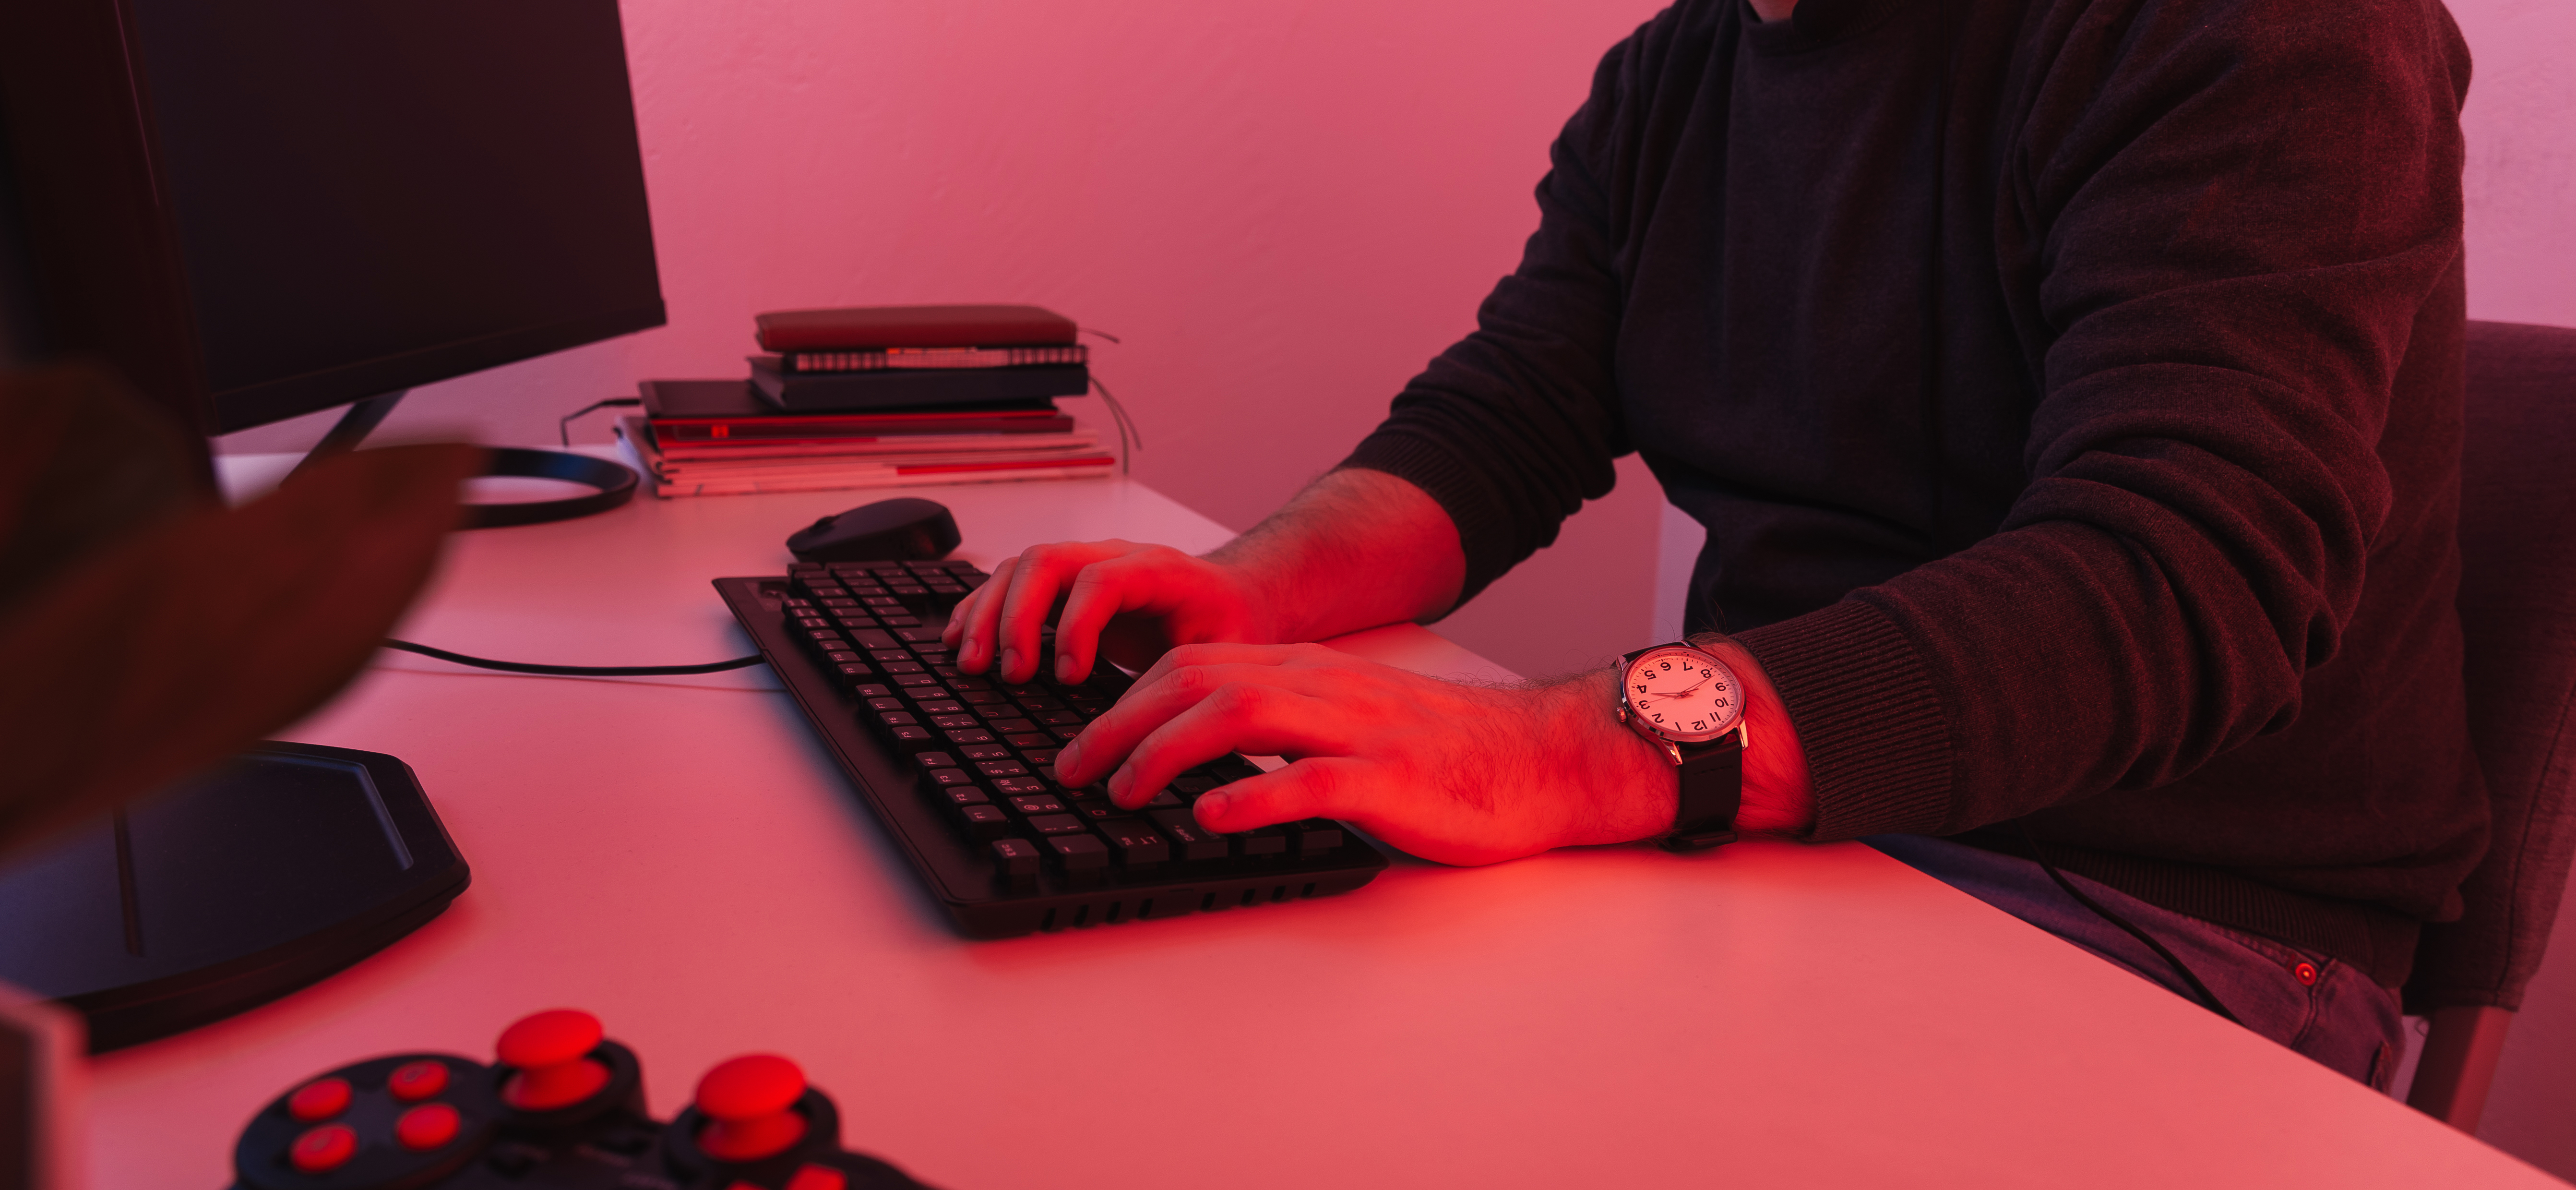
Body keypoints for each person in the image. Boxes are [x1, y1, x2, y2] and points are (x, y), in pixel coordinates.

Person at [943, 0, 2477, 1087]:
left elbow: (2183, 578)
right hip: (1803, 846)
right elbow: (1512, 415)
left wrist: (1543, 750)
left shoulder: (2258, 27)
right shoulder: (1682, 68)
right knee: (1248, 1045)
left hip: (2159, 915)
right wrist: (1247, 587)